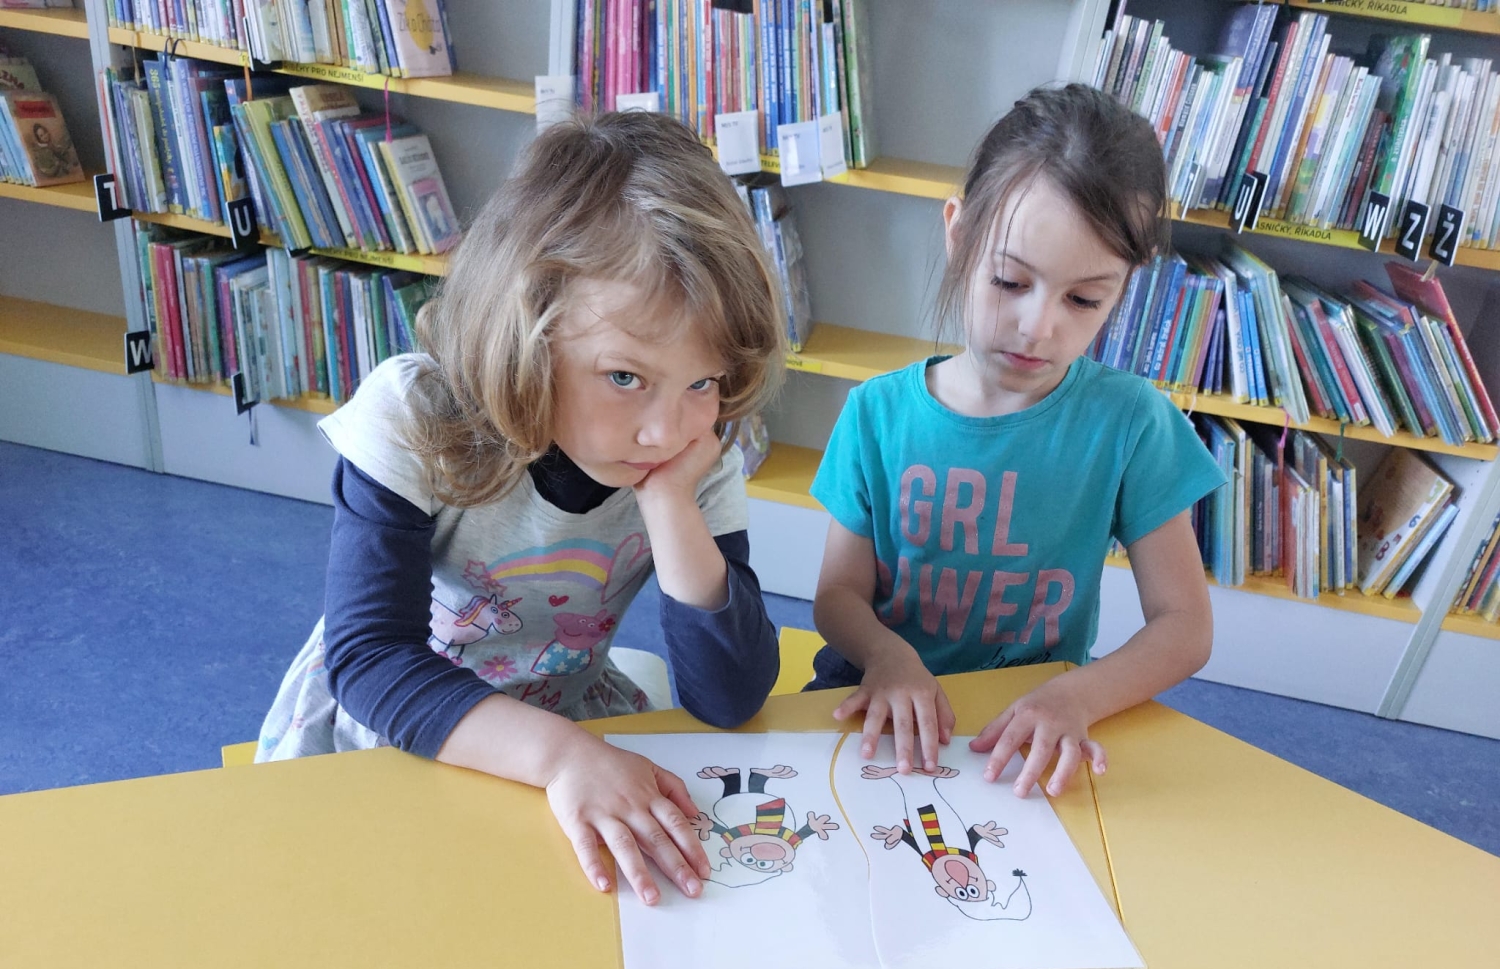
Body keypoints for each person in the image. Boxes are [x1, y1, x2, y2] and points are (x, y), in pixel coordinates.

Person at [257, 112, 786, 906]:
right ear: (527, 334)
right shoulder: (415, 416)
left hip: (565, 717)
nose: (663, 429)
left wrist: (673, 504)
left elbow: (730, 695)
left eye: (701, 382)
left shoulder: (691, 456)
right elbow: (371, 660)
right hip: (399, 724)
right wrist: (562, 756)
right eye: (624, 377)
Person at [808, 84, 1224, 799]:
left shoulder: (1132, 424)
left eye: (1084, 299)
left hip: (1029, 720)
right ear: (959, 236)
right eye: (1009, 280)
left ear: (1124, 287)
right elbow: (838, 594)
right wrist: (886, 654)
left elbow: (1185, 626)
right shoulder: (876, 412)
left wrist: (1079, 696)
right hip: (878, 691)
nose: (1039, 327)